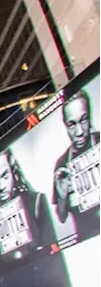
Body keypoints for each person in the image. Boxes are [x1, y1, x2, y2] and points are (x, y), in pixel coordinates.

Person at [0, 148, 56, 270]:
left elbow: (54, 252)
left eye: (5, 176)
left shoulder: (36, 202)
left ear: (13, 170)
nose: (2, 186)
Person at [51, 90, 101, 239]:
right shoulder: (62, 164)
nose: (79, 132)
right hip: (89, 241)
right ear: (65, 126)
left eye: (83, 120)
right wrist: (62, 197)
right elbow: (61, 217)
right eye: (72, 125)